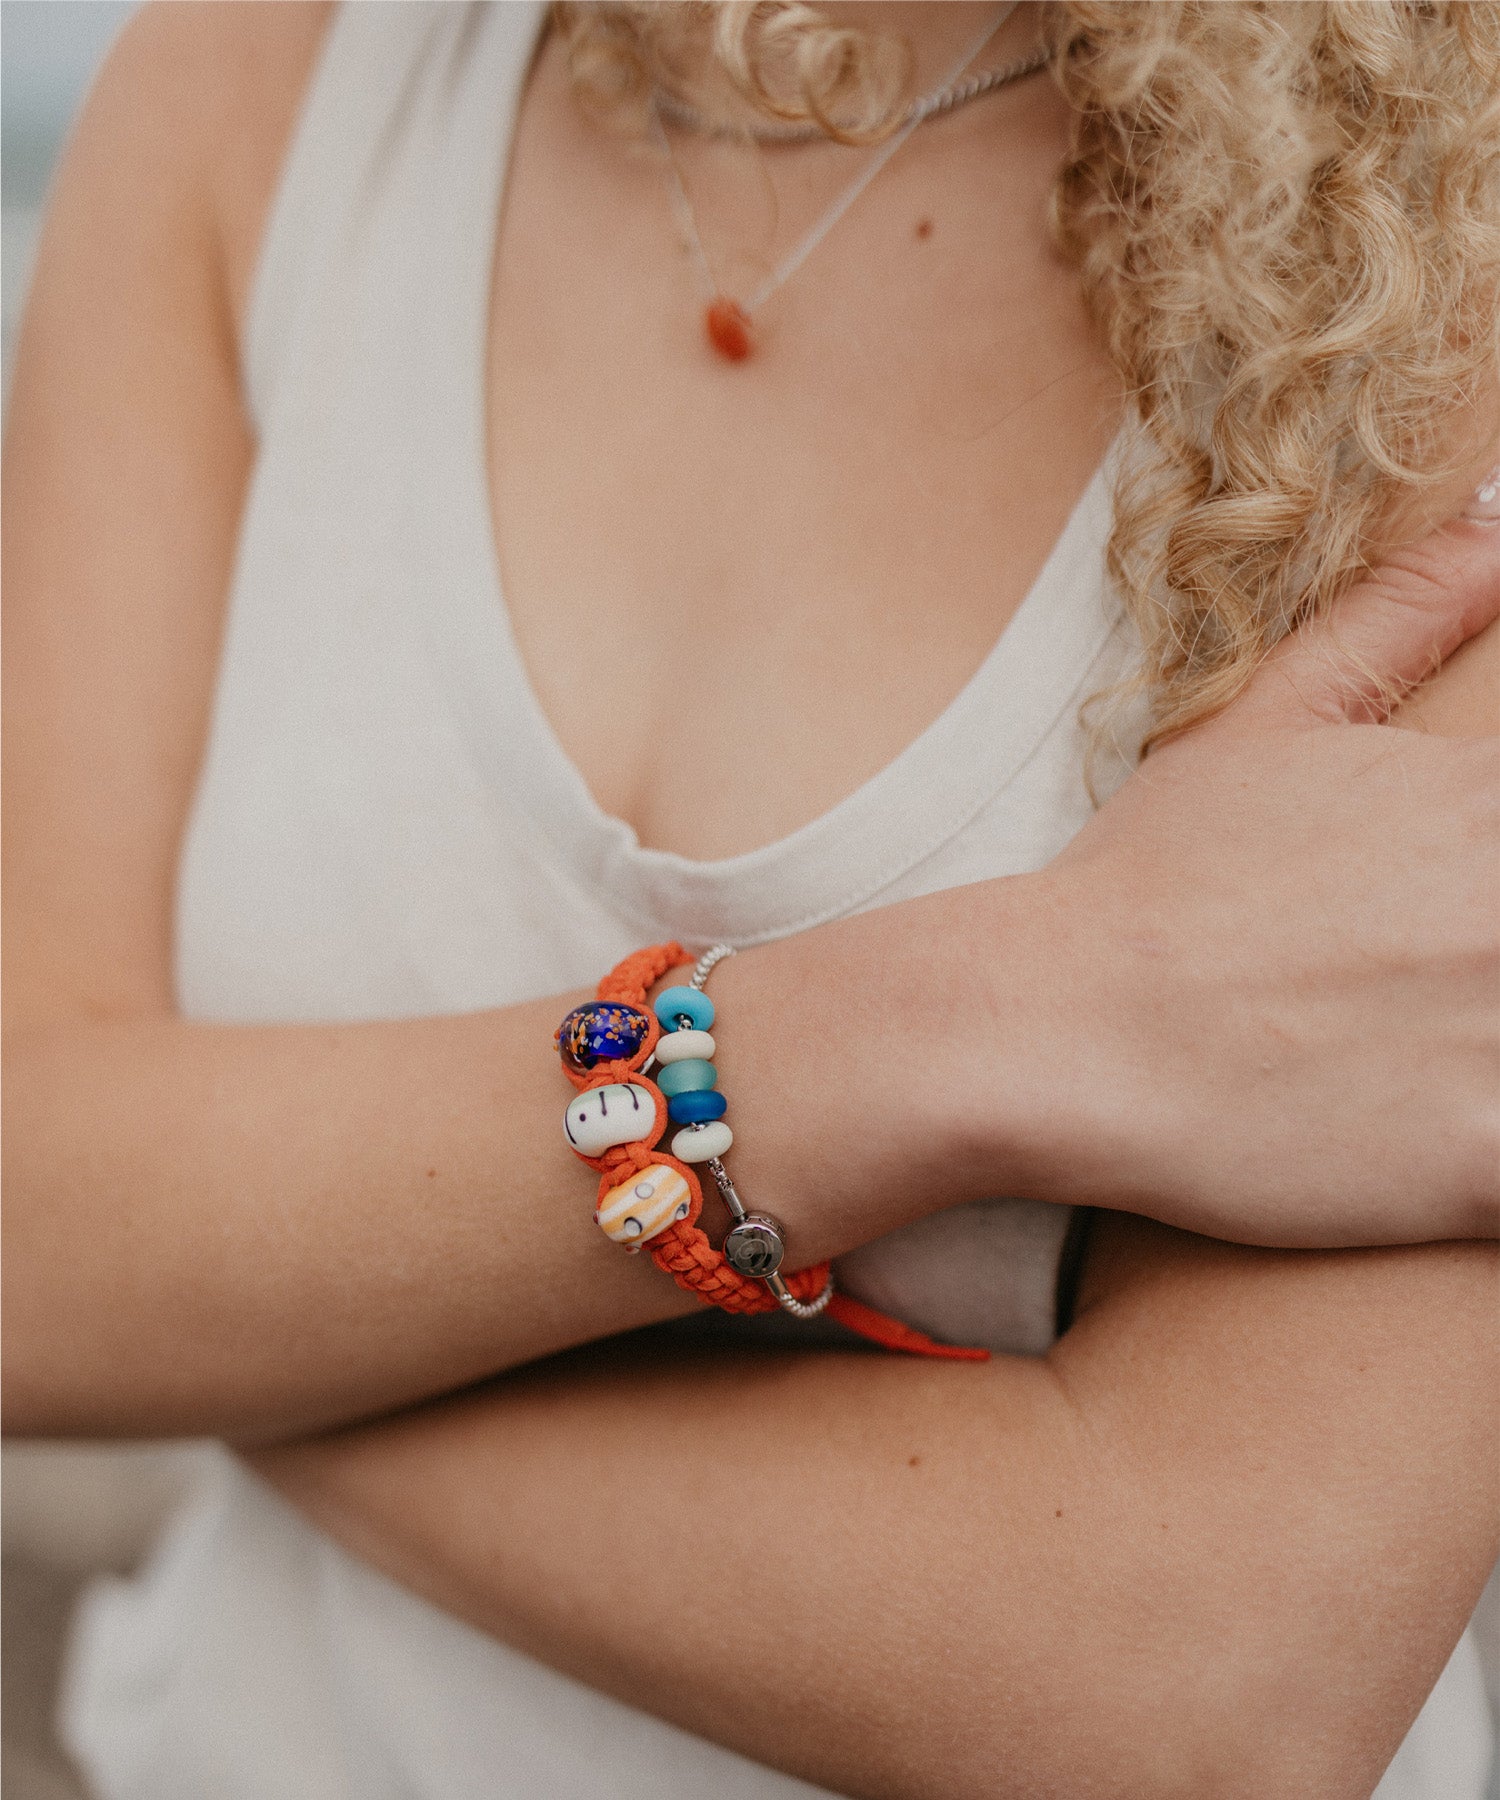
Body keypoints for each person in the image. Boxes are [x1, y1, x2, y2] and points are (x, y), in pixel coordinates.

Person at [2, 1, 1496, 1794]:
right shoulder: (277, 70)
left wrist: (206, 1331)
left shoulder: (1434, 262)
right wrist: (979, 1018)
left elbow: (1192, 1683)